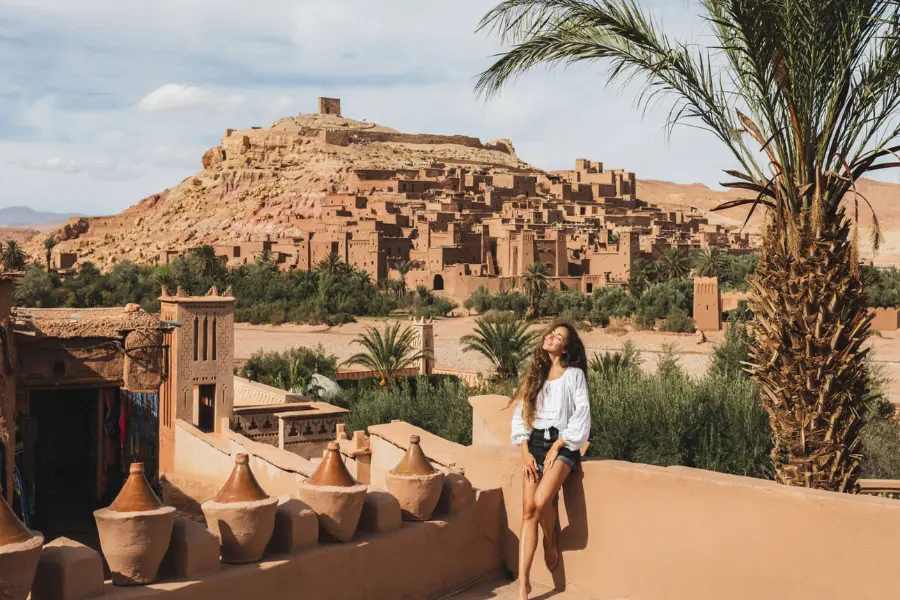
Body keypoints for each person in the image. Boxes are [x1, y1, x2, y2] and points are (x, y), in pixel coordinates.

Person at [510, 320, 590, 600]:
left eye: (558, 337)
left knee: (542, 501)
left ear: (565, 349)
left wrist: (558, 444)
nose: (551, 338)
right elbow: (522, 416)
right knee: (528, 511)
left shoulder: (574, 375)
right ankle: (523, 584)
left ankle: (551, 539)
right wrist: (525, 451)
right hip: (534, 443)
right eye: (551, 334)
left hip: (564, 442)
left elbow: (581, 415)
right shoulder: (535, 376)